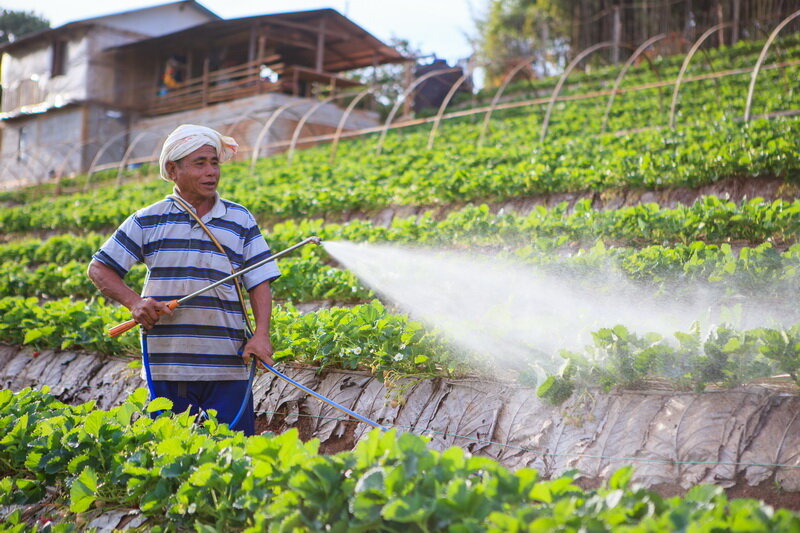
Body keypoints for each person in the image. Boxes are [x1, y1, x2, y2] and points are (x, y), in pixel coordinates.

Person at [87, 124, 280, 436]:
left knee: (238, 448)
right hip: (169, 361)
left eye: (214, 163)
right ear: (172, 169)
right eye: (200, 163)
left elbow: (259, 280)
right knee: (170, 450)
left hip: (229, 361)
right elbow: (100, 268)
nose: (211, 172)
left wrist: (261, 334)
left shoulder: (240, 219)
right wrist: (136, 303)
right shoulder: (148, 219)